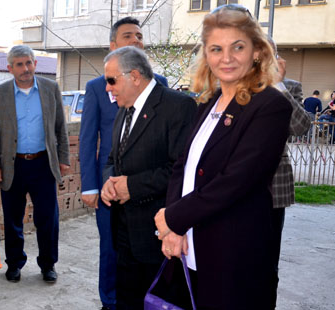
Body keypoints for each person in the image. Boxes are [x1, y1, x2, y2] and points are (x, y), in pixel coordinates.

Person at [153, 4, 292, 309]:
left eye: (237, 47)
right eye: (216, 48)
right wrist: (173, 228)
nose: (225, 58)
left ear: (257, 51)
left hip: (234, 252)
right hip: (192, 246)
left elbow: (236, 181)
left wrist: (172, 218)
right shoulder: (208, 103)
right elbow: (183, 167)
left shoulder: (270, 105)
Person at [78, 17, 170, 309]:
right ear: (113, 45)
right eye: (128, 36)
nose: (136, 40)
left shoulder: (162, 88)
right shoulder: (98, 87)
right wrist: (92, 186)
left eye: (140, 36)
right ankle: (110, 300)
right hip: (110, 188)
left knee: (148, 254)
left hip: (151, 191)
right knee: (112, 249)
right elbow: (89, 138)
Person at [99, 46, 196, 309]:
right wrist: (110, 182)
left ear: (134, 76)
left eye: (111, 80)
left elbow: (181, 171)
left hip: (159, 235)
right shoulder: (124, 110)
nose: (108, 88)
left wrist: (132, 186)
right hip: (124, 231)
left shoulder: (178, 107)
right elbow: (112, 160)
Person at [0, 45, 70, 284]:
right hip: (13, 165)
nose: (26, 68)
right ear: (10, 68)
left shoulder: (50, 88)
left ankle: (48, 264)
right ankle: (14, 264)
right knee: (12, 218)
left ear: (35, 64)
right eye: (19, 64)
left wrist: (63, 159)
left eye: (29, 63)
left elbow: (60, 128)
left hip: (43, 164)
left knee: (48, 219)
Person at [269, 38, 312, 308]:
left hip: (271, 188)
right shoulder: (231, 84)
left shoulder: (289, 86)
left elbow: (300, 127)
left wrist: (276, 84)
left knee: (267, 261)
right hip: (228, 187)